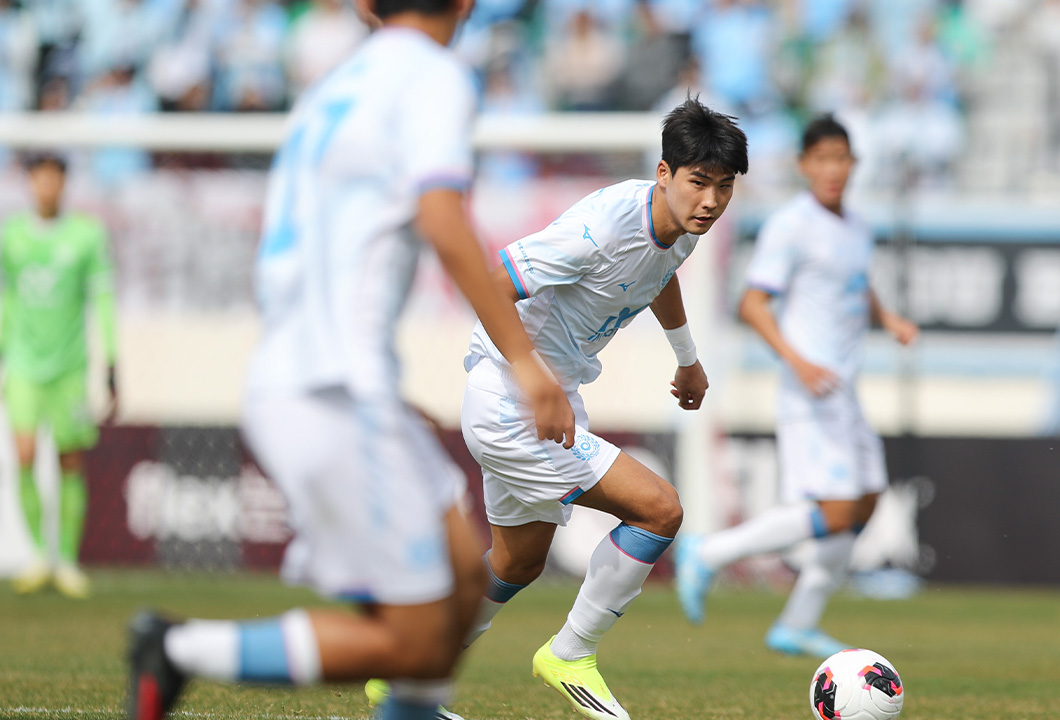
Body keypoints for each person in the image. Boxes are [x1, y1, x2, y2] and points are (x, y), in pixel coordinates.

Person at [123, 1, 573, 719]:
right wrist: (524, 362)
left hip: (314, 376)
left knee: (464, 581)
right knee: (420, 643)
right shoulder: (433, 75)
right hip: (334, 386)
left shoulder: (331, 88)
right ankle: (179, 650)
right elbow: (441, 216)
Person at [458, 97, 747, 720]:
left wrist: (687, 358)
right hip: (512, 399)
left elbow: (661, 273)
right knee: (659, 509)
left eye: (724, 187)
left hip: (541, 396)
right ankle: (571, 653)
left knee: (517, 561)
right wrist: (535, 380)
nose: (711, 201)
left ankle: (408, 675)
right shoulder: (601, 229)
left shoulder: (679, 227)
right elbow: (490, 283)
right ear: (664, 173)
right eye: (699, 182)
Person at [675, 115, 918, 658]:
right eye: (822, 158)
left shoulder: (857, 226)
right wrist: (798, 363)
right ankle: (709, 552)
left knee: (866, 502)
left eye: (841, 158)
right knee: (836, 511)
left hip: (844, 389)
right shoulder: (791, 225)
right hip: (809, 390)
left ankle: (797, 624)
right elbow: (752, 304)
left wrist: (889, 318)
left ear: (854, 164)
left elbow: (856, 283)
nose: (833, 169)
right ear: (805, 165)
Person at [5, 151, 118, 600]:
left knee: (70, 460)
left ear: (64, 183)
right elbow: (6, 300)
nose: (46, 185)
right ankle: (39, 555)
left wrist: (112, 362)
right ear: (30, 183)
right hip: (23, 365)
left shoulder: (87, 236)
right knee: (25, 453)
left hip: (70, 367)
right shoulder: (11, 237)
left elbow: (103, 300)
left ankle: (67, 559)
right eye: (39, 177)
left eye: (54, 177)